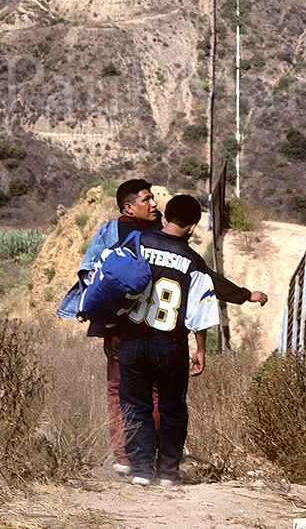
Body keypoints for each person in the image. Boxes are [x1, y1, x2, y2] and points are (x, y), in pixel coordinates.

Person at [57, 178, 268, 473]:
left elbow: (98, 274)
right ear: (129, 208)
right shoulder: (136, 235)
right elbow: (203, 281)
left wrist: (89, 307)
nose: (153, 204)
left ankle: (132, 461)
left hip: (128, 334)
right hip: (152, 338)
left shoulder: (138, 238)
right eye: (146, 200)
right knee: (153, 399)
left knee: (128, 396)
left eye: (154, 199)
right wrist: (243, 295)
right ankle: (150, 461)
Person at [118, 194, 218, 485]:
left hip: (132, 340)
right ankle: (168, 474)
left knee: (137, 406)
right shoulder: (194, 261)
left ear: (164, 217)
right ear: (193, 226)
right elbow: (200, 311)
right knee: (172, 408)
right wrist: (200, 349)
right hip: (170, 345)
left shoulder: (137, 243)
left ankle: (141, 471)